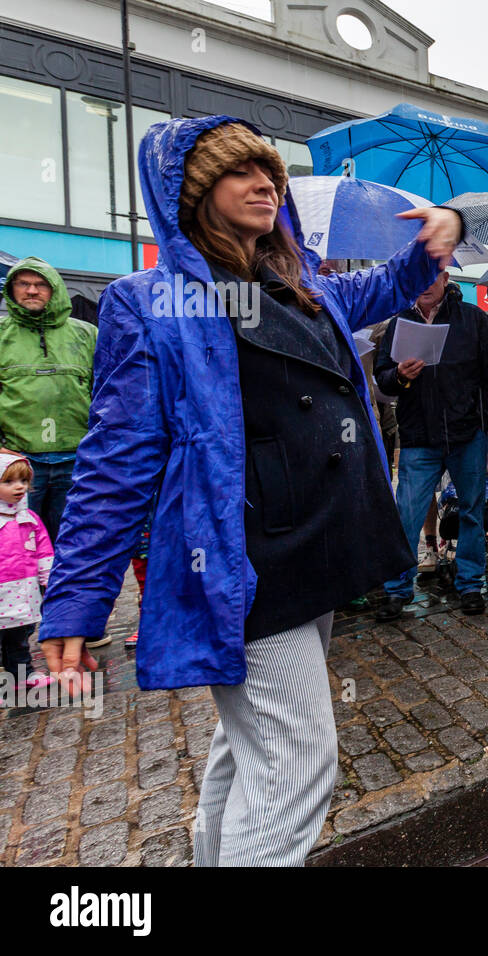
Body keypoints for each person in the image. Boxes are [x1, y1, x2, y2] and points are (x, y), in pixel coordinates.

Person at [37, 115, 463, 866]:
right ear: (193, 194)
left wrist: (439, 233)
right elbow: (115, 462)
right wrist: (76, 599)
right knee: (298, 762)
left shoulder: (300, 286)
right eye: (239, 173)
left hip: (321, 549)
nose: (265, 183)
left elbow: (388, 286)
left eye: (269, 172)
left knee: (250, 744)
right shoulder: (150, 302)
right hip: (241, 564)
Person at [372, 273, 488, 619]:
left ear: (446, 278)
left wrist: (485, 422)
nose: (426, 281)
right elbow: (383, 377)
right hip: (419, 436)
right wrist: (400, 375)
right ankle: (397, 589)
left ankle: (470, 584)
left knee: (473, 512)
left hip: (466, 435)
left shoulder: (472, 318)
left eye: (434, 275)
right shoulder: (399, 321)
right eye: (421, 273)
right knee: (407, 515)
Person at [0, 259, 96, 547]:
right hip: (19, 464)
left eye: (40, 284)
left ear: (54, 290)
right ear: (11, 289)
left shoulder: (87, 334)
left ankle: (65, 594)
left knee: (72, 544)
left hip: (76, 461)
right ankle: (24, 594)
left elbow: (109, 392)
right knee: (18, 546)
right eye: (23, 284)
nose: (32, 291)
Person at [0, 451, 54, 691]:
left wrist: (48, 577)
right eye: (8, 482)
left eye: (23, 481)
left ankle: (22, 674)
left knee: (20, 636)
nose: (19, 487)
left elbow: (43, 548)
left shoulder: (28, 517)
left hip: (24, 589)